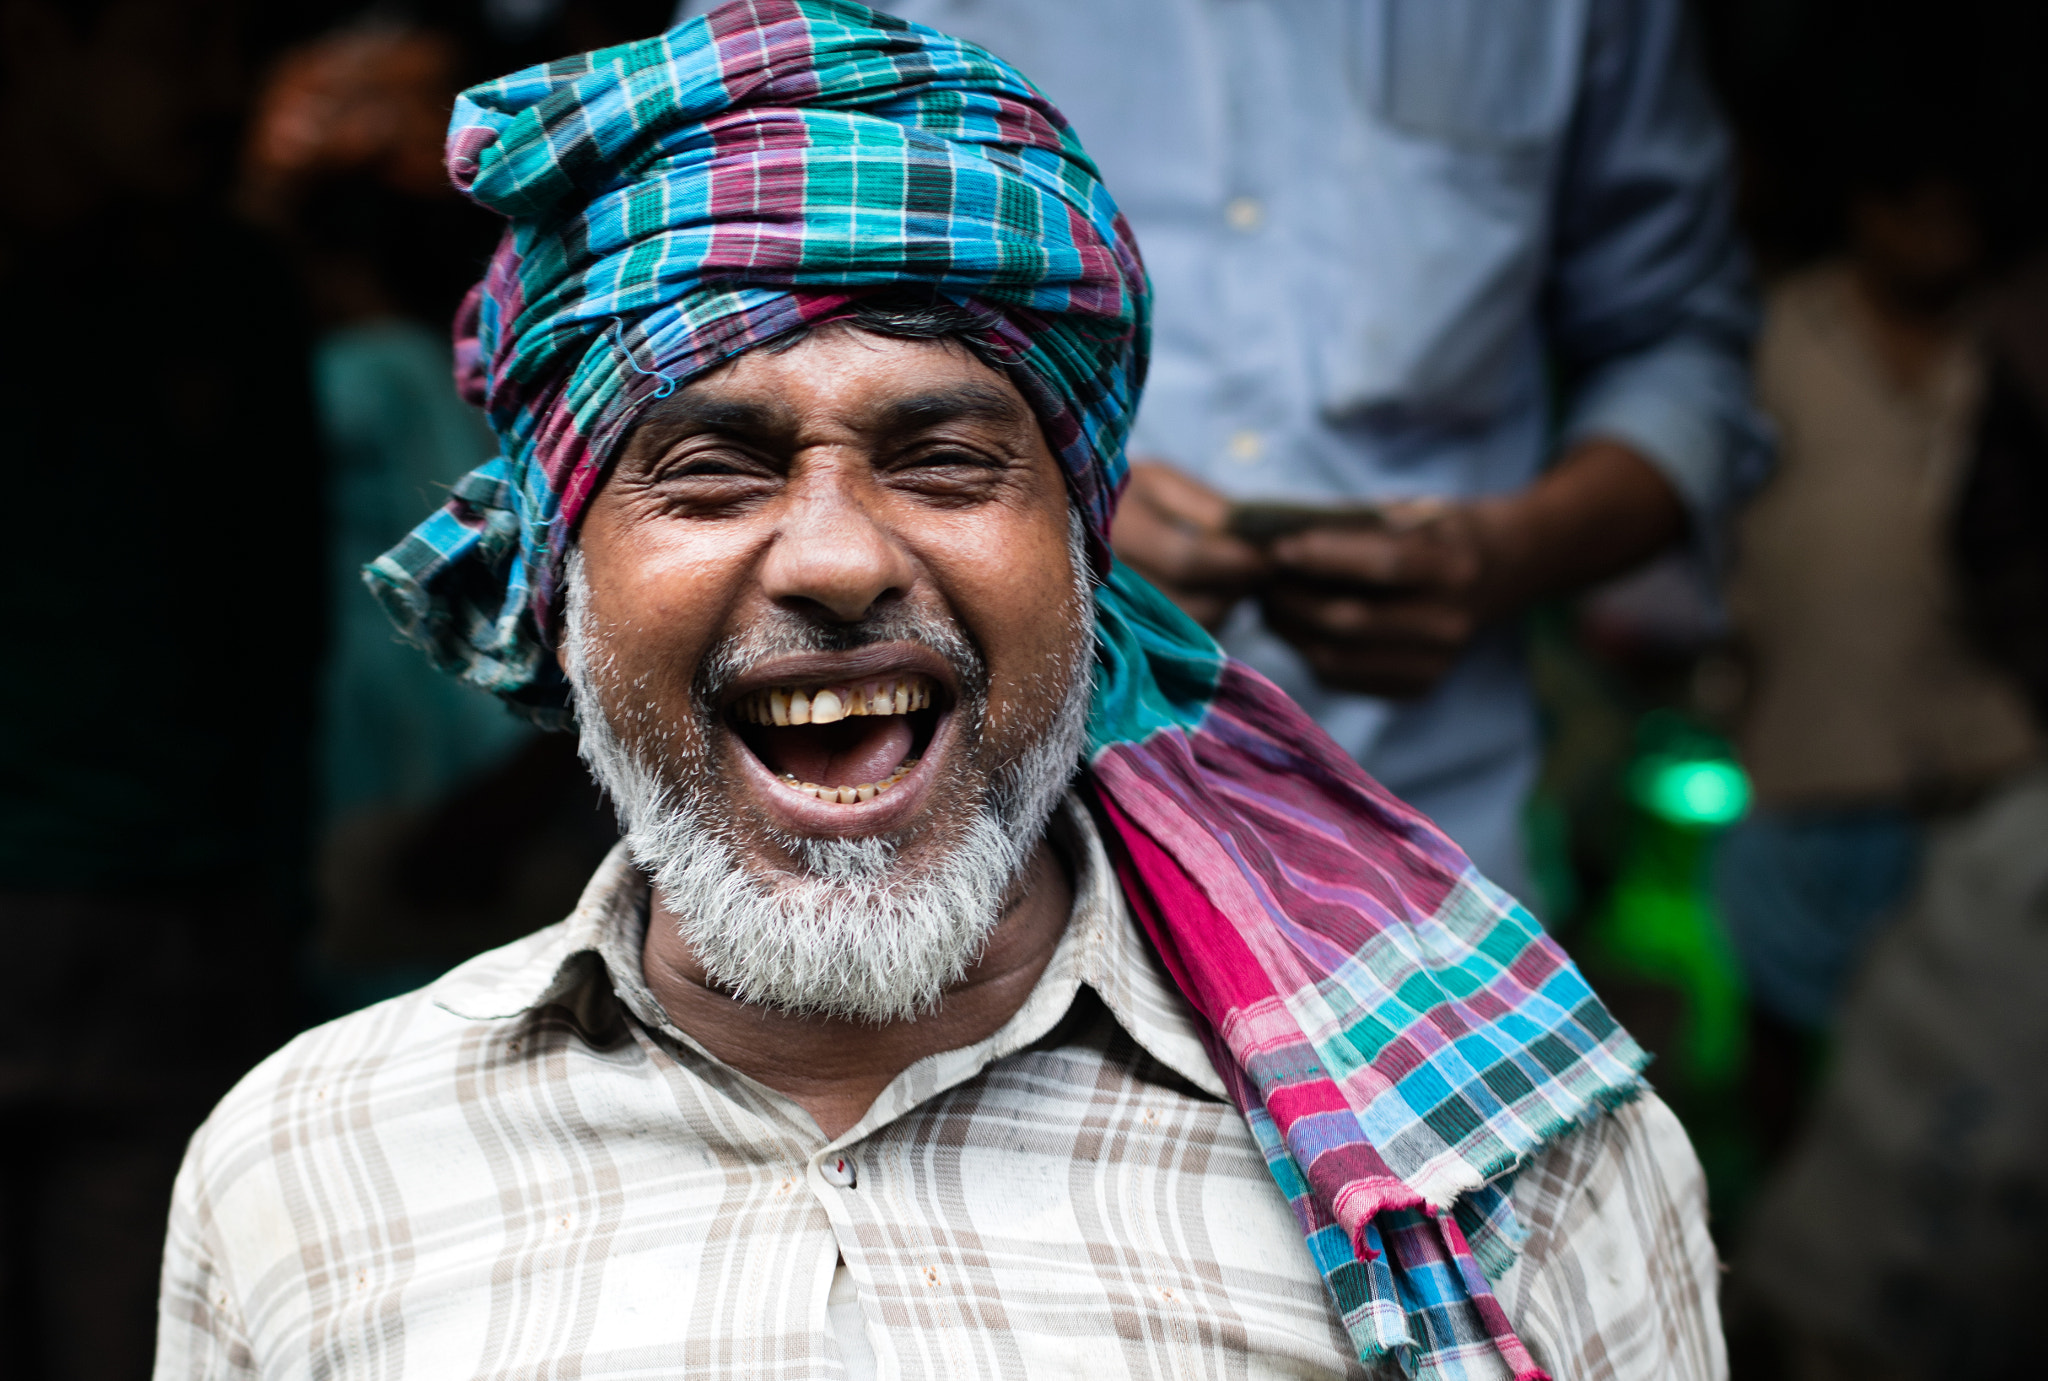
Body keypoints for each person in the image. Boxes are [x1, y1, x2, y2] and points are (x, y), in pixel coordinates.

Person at [155, 5, 1723, 1378]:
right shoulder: (308, 1164)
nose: (837, 559)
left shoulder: (1500, 1157)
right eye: (710, 474)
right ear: (563, 593)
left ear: (1088, 571)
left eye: (949, 460)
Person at [675, 0, 1775, 904]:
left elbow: (1683, 347)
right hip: (974, 849)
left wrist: (1512, 553)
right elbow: (696, 318)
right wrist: (1051, 501)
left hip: (1415, 842)